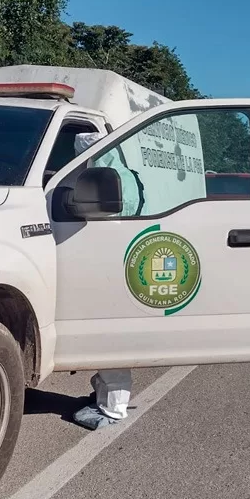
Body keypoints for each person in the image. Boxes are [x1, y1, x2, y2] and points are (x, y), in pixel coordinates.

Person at [70, 131, 135, 429]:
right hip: (110, 261)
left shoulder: (109, 176)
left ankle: (112, 408)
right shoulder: (122, 171)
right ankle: (105, 397)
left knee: (112, 336)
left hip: (110, 264)